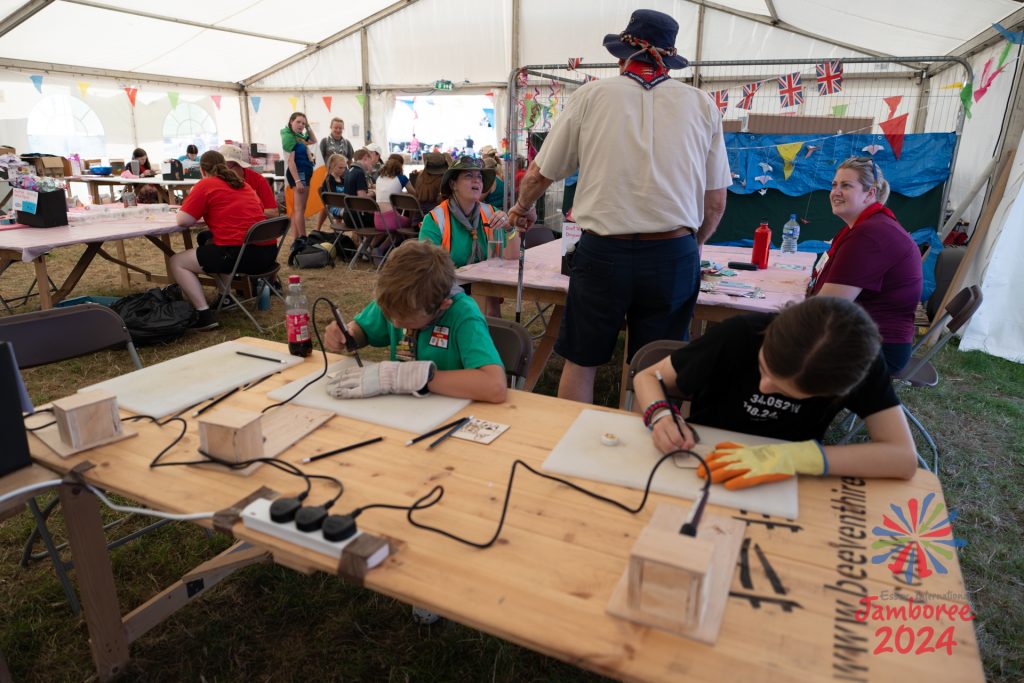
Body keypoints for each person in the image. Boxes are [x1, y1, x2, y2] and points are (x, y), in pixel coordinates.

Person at [508, 9, 731, 404]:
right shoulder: (702, 104)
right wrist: (691, 245)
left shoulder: (592, 95)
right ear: (669, 58)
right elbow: (715, 203)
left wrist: (523, 207)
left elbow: (540, 175)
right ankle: (651, 451)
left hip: (603, 250)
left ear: (621, 56)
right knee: (662, 364)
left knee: (582, 360)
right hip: (672, 251)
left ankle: (570, 452)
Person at [633, 296, 918, 487]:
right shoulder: (741, 334)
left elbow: (903, 458)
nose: (763, 387)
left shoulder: (857, 363)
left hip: (787, 481)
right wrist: (660, 415)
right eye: (763, 367)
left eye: (784, 389)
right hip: (701, 456)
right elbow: (648, 377)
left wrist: (794, 459)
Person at [323, 240, 507, 404]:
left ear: (442, 305)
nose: (395, 324)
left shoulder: (463, 314)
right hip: (407, 409)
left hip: (451, 412)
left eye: (406, 319)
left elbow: (495, 386)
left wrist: (411, 377)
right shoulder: (398, 300)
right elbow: (363, 329)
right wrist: (348, 334)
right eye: (391, 315)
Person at [810, 158, 923, 374]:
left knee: (760, 337)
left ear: (870, 194)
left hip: (875, 349)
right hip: (865, 337)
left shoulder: (870, 235)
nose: (836, 192)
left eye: (846, 185)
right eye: (834, 185)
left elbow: (826, 308)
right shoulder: (864, 227)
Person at [169, 151, 274, 331]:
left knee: (177, 261)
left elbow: (183, 221)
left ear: (202, 170)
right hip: (267, 255)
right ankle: (226, 297)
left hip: (241, 256)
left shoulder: (206, 185)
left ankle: (204, 314)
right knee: (208, 239)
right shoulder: (243, 184)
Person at [418, 156, 520, 316]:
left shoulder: (491, 213)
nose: (476, 181)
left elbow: (512, 257)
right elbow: (427, 269)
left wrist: (509, 228)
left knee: (488, 296)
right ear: (453, 184)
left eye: (479, 176)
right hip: (446, 292)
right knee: (486, 300)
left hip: (485, 288)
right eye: (468, 176)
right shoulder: (435, 219)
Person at [281, 112, 317, 244]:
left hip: (304, 173)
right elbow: (291, 161)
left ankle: (297, 238)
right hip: (298, 175)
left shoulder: (299, 136)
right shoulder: (289, 137)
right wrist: (297, 181)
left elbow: (313, 140)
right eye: (298, 122)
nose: (301, 125)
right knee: (298, 209)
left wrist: (308, 127)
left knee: (301, 208)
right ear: (291, 121)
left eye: (303, 123)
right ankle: (303, 238)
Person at [219, 144, 277, 218]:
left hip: (254, 226)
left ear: (237, 164)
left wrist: (247, 208)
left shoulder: (258, 180)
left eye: (224, 167)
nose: (221, 172)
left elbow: (273, 213)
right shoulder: (219, 180)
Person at [374, 154, 411, 233]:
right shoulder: (402, 178)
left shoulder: (379, 178)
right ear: (400, 166)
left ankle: (374, 246)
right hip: (391, 220)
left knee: (392, 233)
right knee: (410, 223)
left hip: (377, 219)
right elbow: (414, 194)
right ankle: (410, 244)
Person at [319, 153, 349, 221]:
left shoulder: (343, 180)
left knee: (355, 212)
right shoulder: (328, 180)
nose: (343, 170)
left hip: (343, 205)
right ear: (332, 166)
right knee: (351, 214)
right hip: (332, 207)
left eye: (344, 168)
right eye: (340, 168)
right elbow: (331, 198)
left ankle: (339, 230)